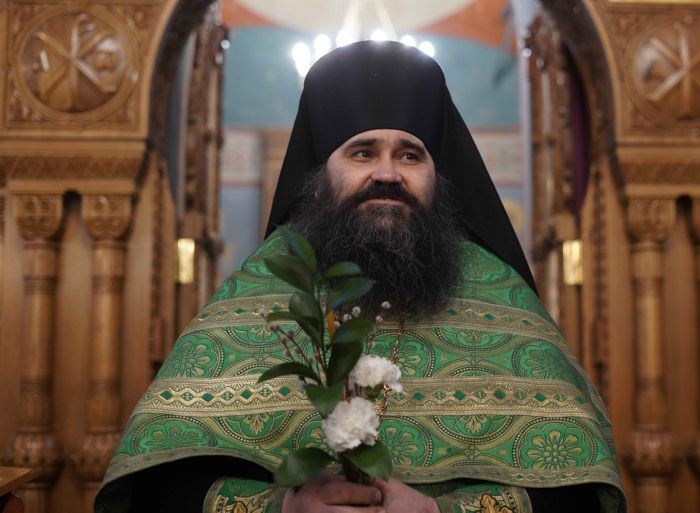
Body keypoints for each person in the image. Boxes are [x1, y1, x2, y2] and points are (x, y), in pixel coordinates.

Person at [95, 41, 625, 513]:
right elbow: (160, 488)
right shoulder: (264, 289)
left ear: (436, 175)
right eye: (363, 152)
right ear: (321, 175)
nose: (387, 173)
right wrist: (281, 506)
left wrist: (442, 512)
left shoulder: (499, 295)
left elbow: (576, 492)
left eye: (410, 155)